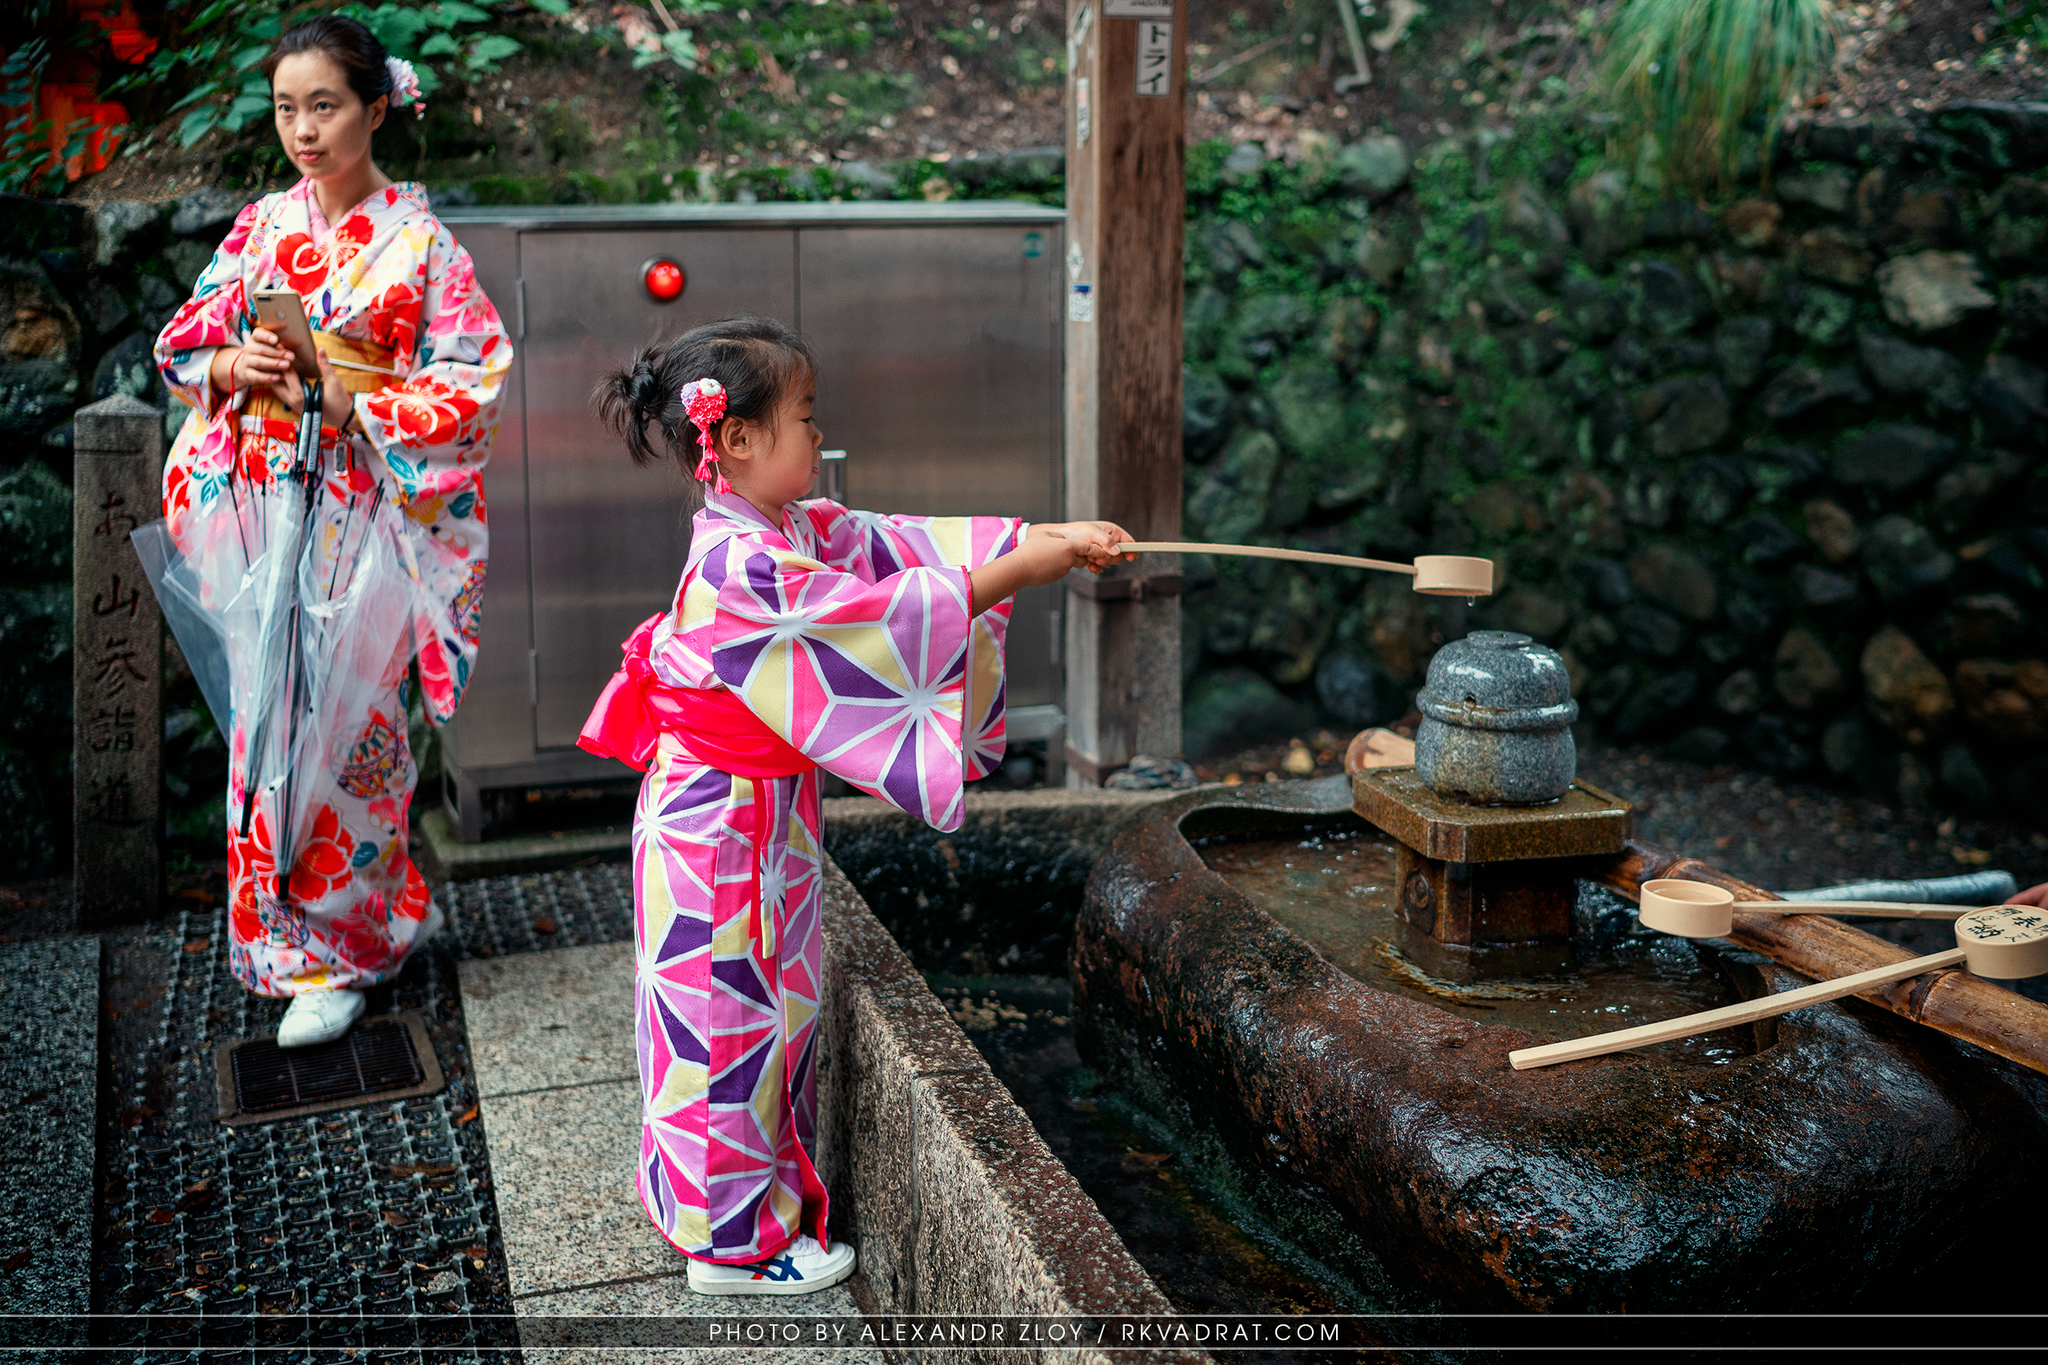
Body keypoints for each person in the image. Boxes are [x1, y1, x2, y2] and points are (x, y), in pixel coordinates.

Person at [582, 317, 1129, 1295]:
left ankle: (718, 1206)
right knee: (728, 1021)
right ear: (737, 439)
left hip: (752, 814)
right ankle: (732, 1245)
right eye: (803, 417)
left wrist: (1036, 541)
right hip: (719, 826)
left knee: (754, 1014)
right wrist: (1016, 571)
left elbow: (886, 545)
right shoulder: (737, 566)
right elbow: (884, 616)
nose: (816, 437)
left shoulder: (785, 527)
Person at [153, 15, 511, 1047]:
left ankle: (347, 950)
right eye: (285, 109)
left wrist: (363, 405)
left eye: (324, 106)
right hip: (261, 502)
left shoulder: (422, 244)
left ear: (375, 108)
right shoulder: (264, 225)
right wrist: (232, 367)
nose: (302, 130)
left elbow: (472, 383)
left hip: (361, 506)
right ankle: (289, 938)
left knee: (355, 730)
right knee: (267, 720)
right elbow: (188, 338)